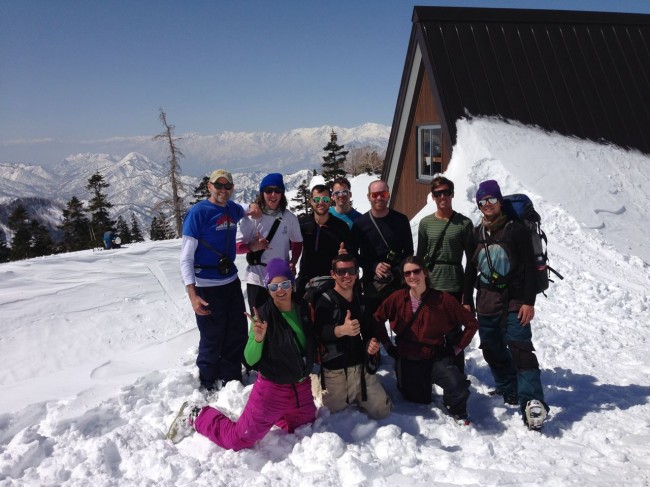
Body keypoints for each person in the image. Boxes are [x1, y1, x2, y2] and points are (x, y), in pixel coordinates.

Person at [167, 258, 317, 450]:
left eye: (285, 284)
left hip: (301, 387)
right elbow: (249, 359)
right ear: (267, 288)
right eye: (273, 286)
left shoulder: (303, 308)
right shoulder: (263, 316)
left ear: (292, 284)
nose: (280, 291)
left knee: (305, 429)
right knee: (238, 440)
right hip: (273, 390)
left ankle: (276, 415)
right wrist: (259, 338)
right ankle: (196, 413)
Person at [463, 179, 549, 431]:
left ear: (499, 201)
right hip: (486, 299)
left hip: (514, 299)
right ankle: (508, 387)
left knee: (521, 348)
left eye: (491, 199)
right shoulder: (476, 233)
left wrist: (529, 302)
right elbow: (470, 269)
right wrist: (467, 300)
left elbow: (531, 271)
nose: (487, 204)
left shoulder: (516, 231)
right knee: (490, 347)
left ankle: (532, 401)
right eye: (483, 201)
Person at [374, 256, 478, 422]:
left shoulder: (443, 300)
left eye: (416, 271)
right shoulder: (397, 298)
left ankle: (455, 408)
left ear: (425, 273)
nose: (412, 276)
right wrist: (387, 344)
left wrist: (456, 348)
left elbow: (471, 324)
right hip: (408, 358)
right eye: (407, 273)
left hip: (434, 357)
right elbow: (377, 319)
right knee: (417, 399)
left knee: (458, 386)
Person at [180, 169, 248, 391]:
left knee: (236, 331)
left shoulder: (232, 208)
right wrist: (193, 295)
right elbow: (186, 258)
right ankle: (207, 379)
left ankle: (231, 377)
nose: (223, 190)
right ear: (209, 186)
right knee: (211, 336)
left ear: (232, 188)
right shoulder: (198, 213)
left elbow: (246, 210)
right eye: (218, 186)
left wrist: (255, 209)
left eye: (227, 186)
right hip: (206, 286)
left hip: (231, 282)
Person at [313, 254, 391, 419]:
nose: (347, 275)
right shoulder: (325, 301)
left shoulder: (361, 301)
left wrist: (372, 343)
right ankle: (316, 382)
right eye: (341, 271)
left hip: (360, 368)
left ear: (357, 273)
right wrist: (340, 330)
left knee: (382, 411)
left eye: (351, 271)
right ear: (333, 274)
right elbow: (318, 332)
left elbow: (370, 331)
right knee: (328, 412)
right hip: (336, 371)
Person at [416, 176, 475, 373]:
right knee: (431, 330)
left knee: (454, 332)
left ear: (452, 194)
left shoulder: (464, 224)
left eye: (446, 192)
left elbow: (471, 262)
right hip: (431, 284)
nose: (442, 196)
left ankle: (455, 373)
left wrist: (467, 295)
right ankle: (432, 370)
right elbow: (420, 257)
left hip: (455, 283)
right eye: (438, 193)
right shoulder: (425, 223)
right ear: (432, 197)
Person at [236, 173, 303, 312]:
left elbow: (297, 242)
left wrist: (294, 261)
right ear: (262, 193)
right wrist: (251, 247)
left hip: (281, 279)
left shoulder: (289, 218)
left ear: (282, 193)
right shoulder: (251, 217)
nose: (273, 194)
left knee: (284, 320)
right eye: (268, 190)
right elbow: (236, 247)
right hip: (257, 277)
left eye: (277, 190)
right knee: (260, 321)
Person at [351, 180, 413, 324]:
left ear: (388, 195)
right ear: (369, 196)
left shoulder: (401, 220)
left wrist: (396, 270)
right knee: (373, 325)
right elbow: (353, 254)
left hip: (397, 282)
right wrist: (373, 266)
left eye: (383, 194)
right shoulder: (360, 224)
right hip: (372, 284)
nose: (379, 198)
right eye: (375, 194)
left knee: (403, 324)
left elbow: (409, 251)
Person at [296, 184, 354, 297]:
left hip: (332, 281)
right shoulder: (302, 224)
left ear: (330, 201)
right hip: (306, 280)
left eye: (325, 199)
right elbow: (289, 245)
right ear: (311, 201)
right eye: (317, 199)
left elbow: (352, 253)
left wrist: (345, 254)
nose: (321, 203)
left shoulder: (340, 226)